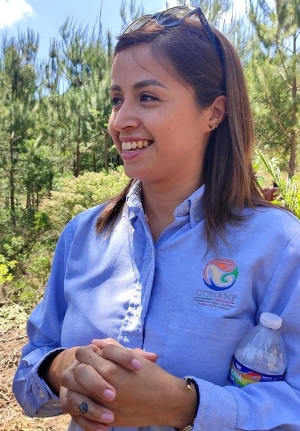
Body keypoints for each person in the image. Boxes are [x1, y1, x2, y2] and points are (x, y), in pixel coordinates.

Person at [13, 5, 300, 431]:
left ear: (214, 113)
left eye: (147, 97)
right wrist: (61, 369)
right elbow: (31, 366)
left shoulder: (279, 246)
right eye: (116, 99)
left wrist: (186, 406)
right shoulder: (82, 235)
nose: (120, 120)